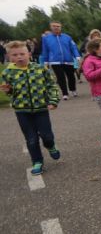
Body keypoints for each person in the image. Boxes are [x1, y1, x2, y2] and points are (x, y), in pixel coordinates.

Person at [0, 41, 61, 175]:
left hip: (41, 109)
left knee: (46, 135)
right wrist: (8, 90)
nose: (19, 57)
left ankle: (50, 145)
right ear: (9, 56)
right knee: (31, 139)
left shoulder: (40, 69)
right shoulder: (7, 73)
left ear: (28, 54)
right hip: (22, 111)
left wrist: (53, 100)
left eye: (22, 54)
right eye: (15, 55)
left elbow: (52, 85)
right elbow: (9, 91)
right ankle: (37, 161)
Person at [40, 21, 82, 100]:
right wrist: (45, 62)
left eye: (58, 26)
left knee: (71, 76)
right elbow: (45, 50)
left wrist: (77, 56)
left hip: (68, 60)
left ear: (61, 27)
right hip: (55, 61)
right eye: (54, 26)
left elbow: (73, 47)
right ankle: (65, 93)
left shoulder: (67, 37)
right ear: (51, 27)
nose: (56, 28)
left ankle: (73, 89)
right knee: (60, 78)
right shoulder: (46, 39)